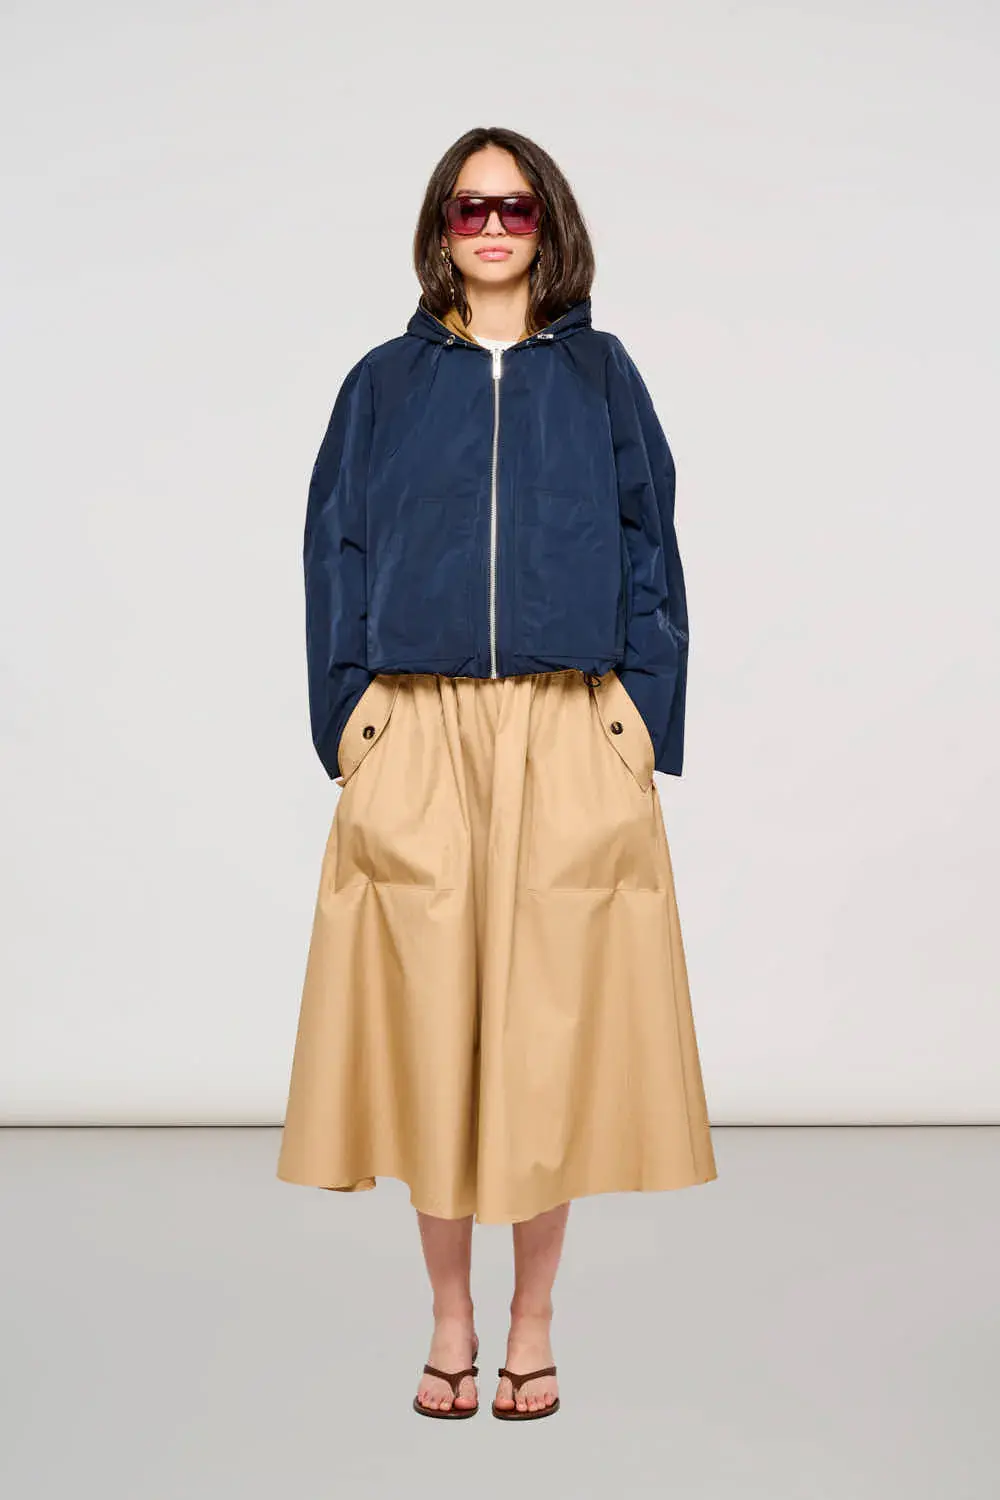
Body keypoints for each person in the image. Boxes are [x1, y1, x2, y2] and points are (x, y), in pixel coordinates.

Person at [276, 125, 717, 1422]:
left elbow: (652, 542)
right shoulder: (383, 384)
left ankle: (531, 1321)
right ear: (440, 226)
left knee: (542, 1047)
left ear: (548, 224)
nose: (491, 227)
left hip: (567, 728)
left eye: (515, 207)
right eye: (469, 207)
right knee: (433, 1039)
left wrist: (640, 716)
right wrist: (350, 722)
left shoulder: (602, 377)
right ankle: (449, 1318)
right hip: (418, 729)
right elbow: (335, 549)